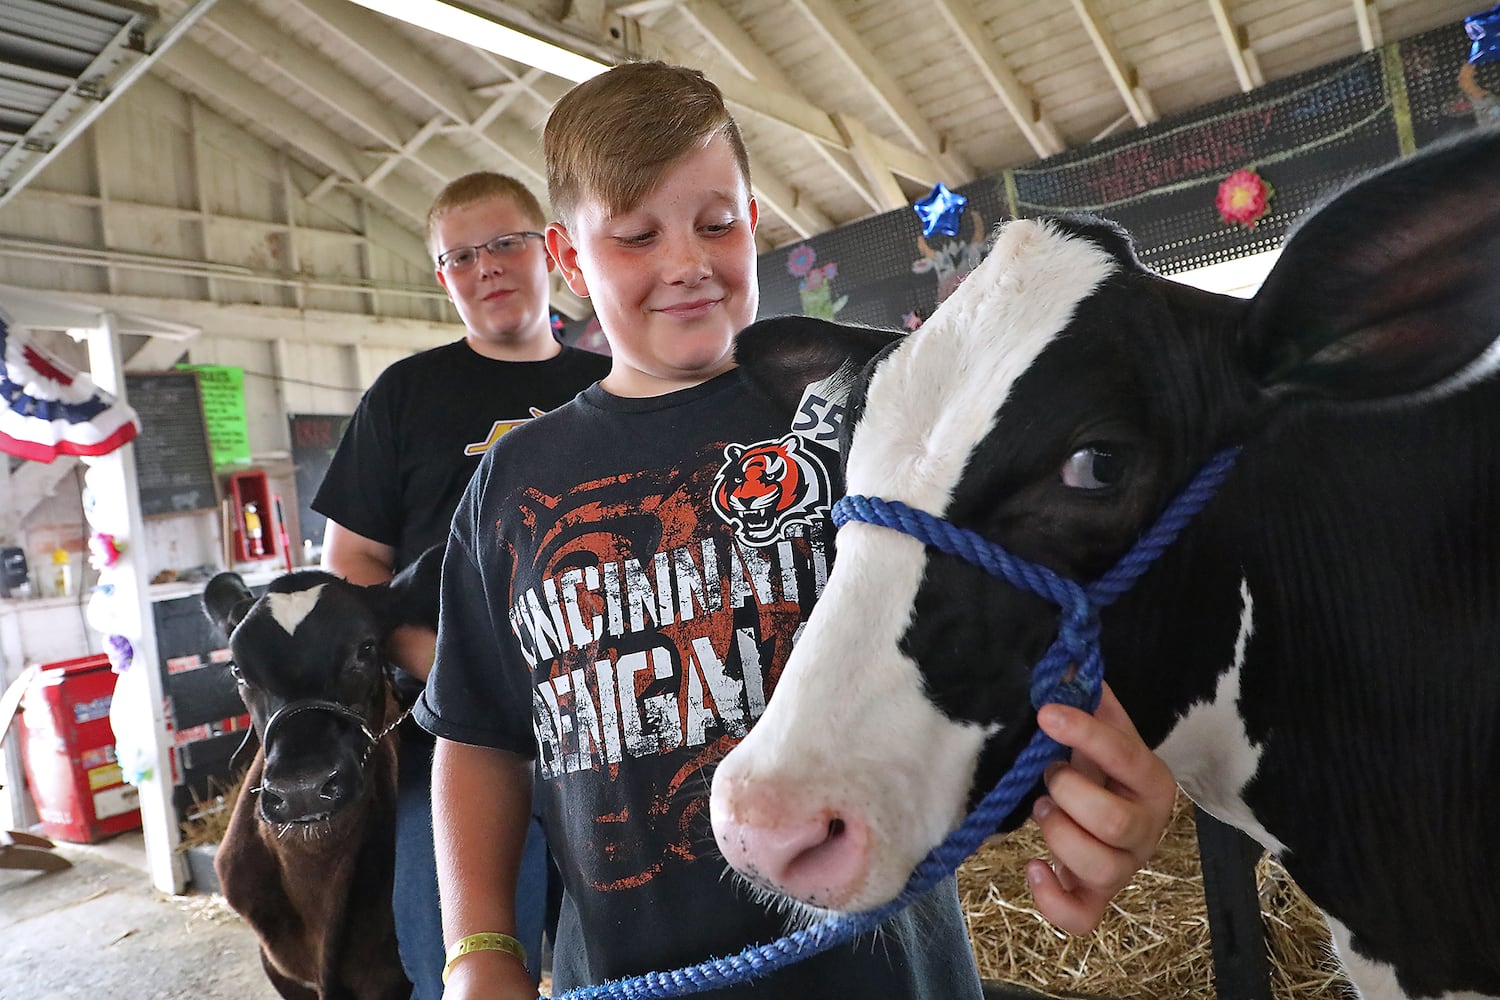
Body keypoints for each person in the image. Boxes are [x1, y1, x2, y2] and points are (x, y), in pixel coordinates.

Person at [416, 62, 1176, 999]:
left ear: (755, 215)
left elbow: (1018, 615)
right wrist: (480, 948)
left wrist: (1104, 787)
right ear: (568, 260)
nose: (686, 261)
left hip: (888, 976)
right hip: (619, 979)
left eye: (715, 222)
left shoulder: (871, 416)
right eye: (636, 235)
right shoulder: (513, 482)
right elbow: (479, 735)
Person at [313, 171, 611, 998]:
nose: (488, 267)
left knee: (627, 959)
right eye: (462, 255)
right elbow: (350, 568)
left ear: (551, 248)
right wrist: (443, 659)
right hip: (454, 737)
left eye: (507, 243)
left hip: (609, 724)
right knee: (461, 959)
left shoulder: (611, 383)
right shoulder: (405, 395)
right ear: (444, 277)